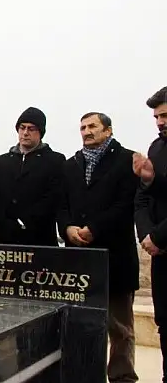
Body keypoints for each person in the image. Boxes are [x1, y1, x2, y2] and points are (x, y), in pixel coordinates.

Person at [58, 112, 139, 383]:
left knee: (120, 329)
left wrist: (95, 228)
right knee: (84, 326)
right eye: (82, 127)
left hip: (116, 258)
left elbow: (126, 205)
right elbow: (62, 205)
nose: (86, 131)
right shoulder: (72, 165)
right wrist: (68, 228)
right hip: (81, 261)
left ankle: (122, 377)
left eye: (92, 126)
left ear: (108, 130)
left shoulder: (127, 160)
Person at [0, 107, 65, 246]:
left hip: (39, 238)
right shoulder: (2, 161)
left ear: (40, 132)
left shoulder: (55, 160)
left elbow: (53, 197)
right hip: (5, 237)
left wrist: (24, 222)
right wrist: (0, 222)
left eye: (31, 129)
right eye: (22, 128)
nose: (25, 133)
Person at [134, 85, 167, 382]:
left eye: (165, 115)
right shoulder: (156, 148)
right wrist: (146, 236)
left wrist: (158, 237)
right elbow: (144, 197)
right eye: (157, 117)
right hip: (160, 255)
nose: (160, 122)